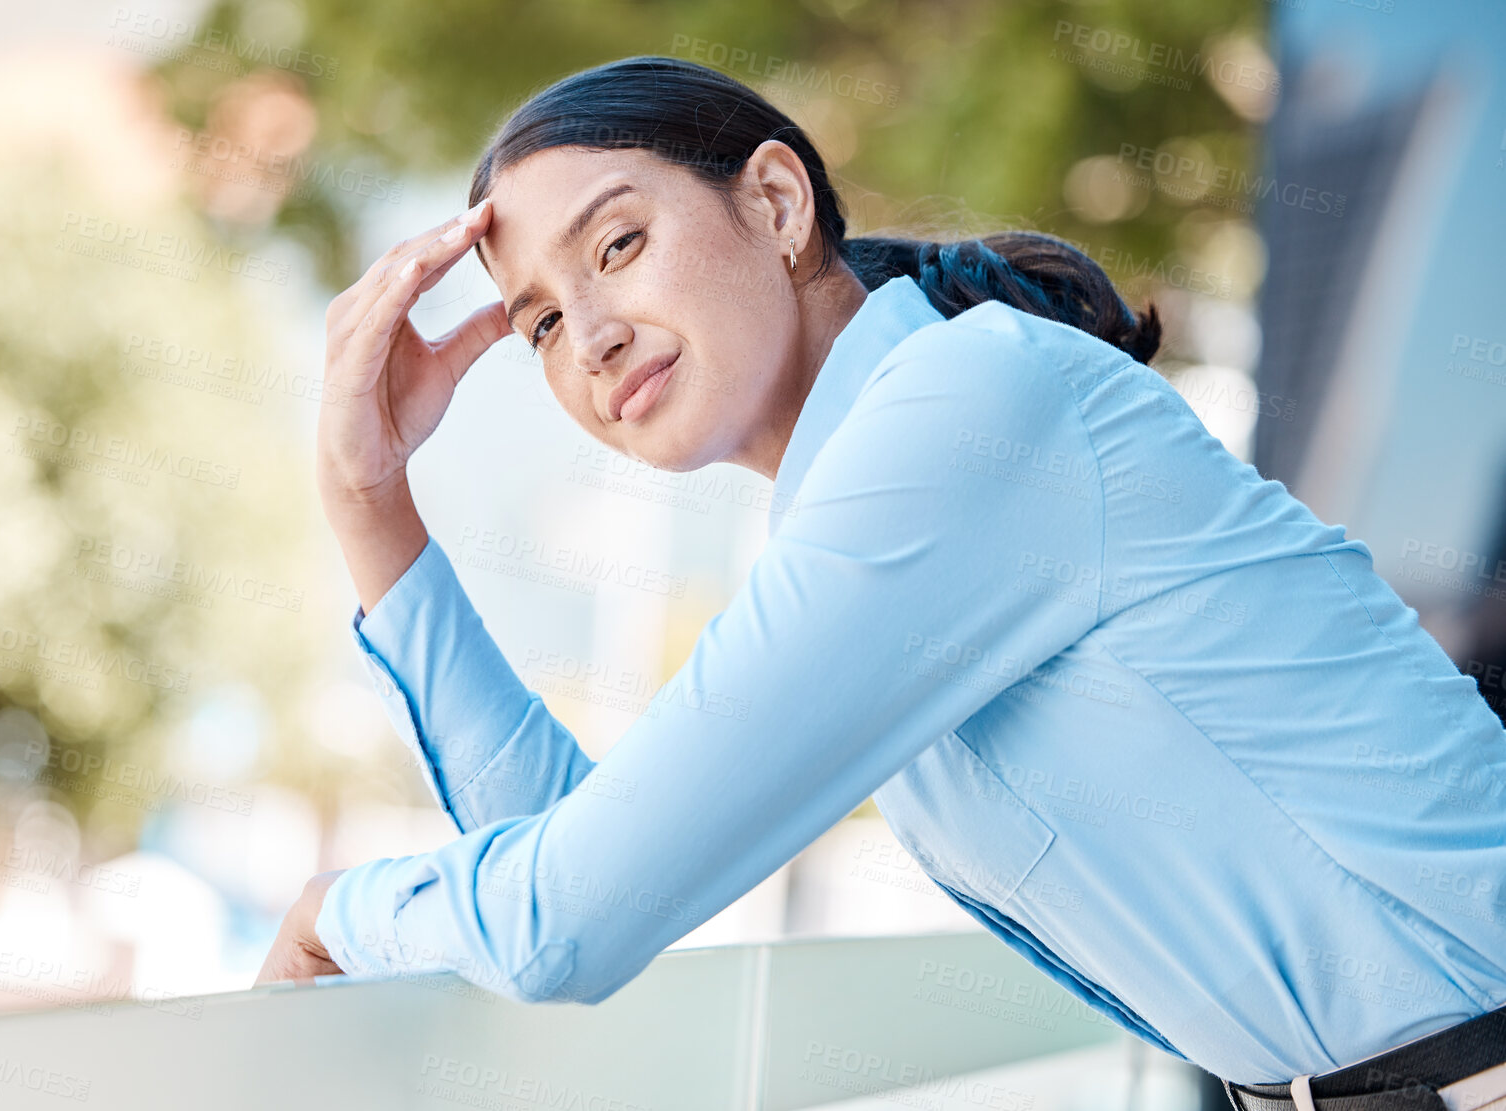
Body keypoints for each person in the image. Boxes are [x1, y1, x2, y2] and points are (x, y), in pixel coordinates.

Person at [256, 56, 1506, 1110]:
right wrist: (372, 507)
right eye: (537, 323)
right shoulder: (871, 491)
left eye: (620, 243)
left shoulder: (963, 416)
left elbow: (561, 916)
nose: (590, 338)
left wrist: (334, 909)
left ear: (777, 201)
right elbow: (575, 858)